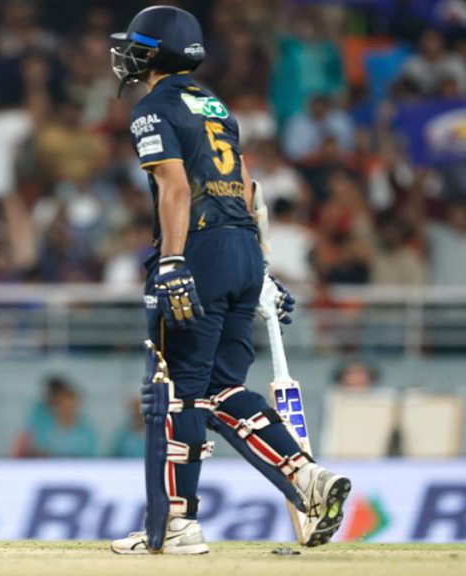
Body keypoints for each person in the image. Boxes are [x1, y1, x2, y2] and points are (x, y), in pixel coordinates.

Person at [106, 6, 350, 555]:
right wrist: (261, 269)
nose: (127, 55)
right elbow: (246, 186)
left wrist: (172, 261)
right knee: (221, 390)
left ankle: (177, 523)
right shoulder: (215, 105)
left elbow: (175, 188)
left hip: (200, 248)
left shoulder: (153, 108)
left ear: (156, 53)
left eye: (137, 46)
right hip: (241, 247)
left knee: (177, 392)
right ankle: (306, 476)